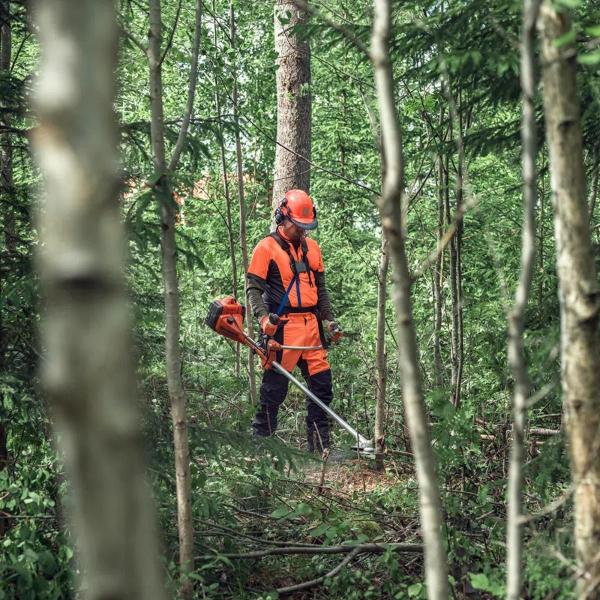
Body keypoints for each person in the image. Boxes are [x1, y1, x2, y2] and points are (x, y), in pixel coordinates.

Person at [245, 189, 342, 453]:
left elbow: (320, 289)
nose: (303, 231)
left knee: (322, 389)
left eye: (306, 226)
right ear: (282, 217)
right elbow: (253, 288)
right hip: (283, 330)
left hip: (311, 328)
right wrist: (263, 319)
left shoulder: (313, 249)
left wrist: (329, 321)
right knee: (273, 393)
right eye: (298, 226)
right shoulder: (266, 248)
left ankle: (319, 450)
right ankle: (262, 452)